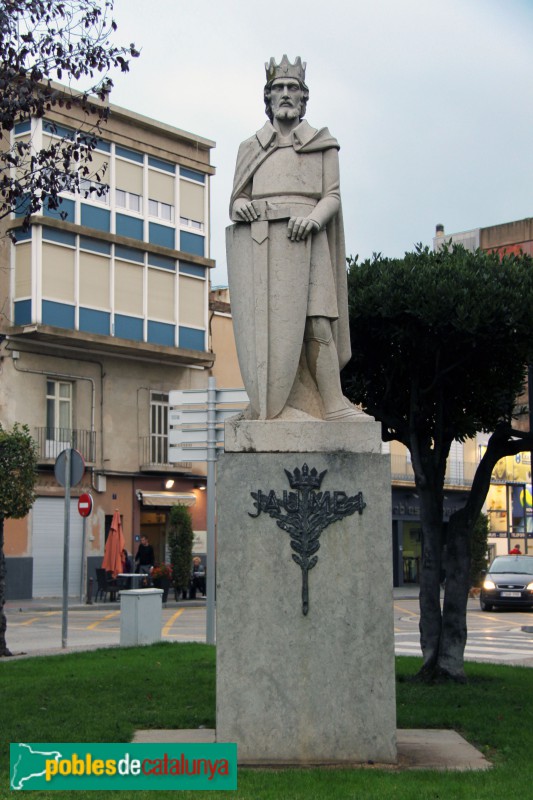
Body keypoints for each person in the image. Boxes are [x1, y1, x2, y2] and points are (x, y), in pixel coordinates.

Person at [226, 55, 358, 421]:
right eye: (279, 88)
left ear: (303, 97)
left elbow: (332, 196)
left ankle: (333, 403)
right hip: (264, 246)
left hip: (308, 241)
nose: (286, 93)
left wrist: (313, 220)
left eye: (293, 87)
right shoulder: (250, 148)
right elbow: (237, 198)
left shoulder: (322, 144)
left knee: (317, 322)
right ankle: (265, 402)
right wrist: (241, 206)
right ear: (268, 97)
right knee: (266, 325)